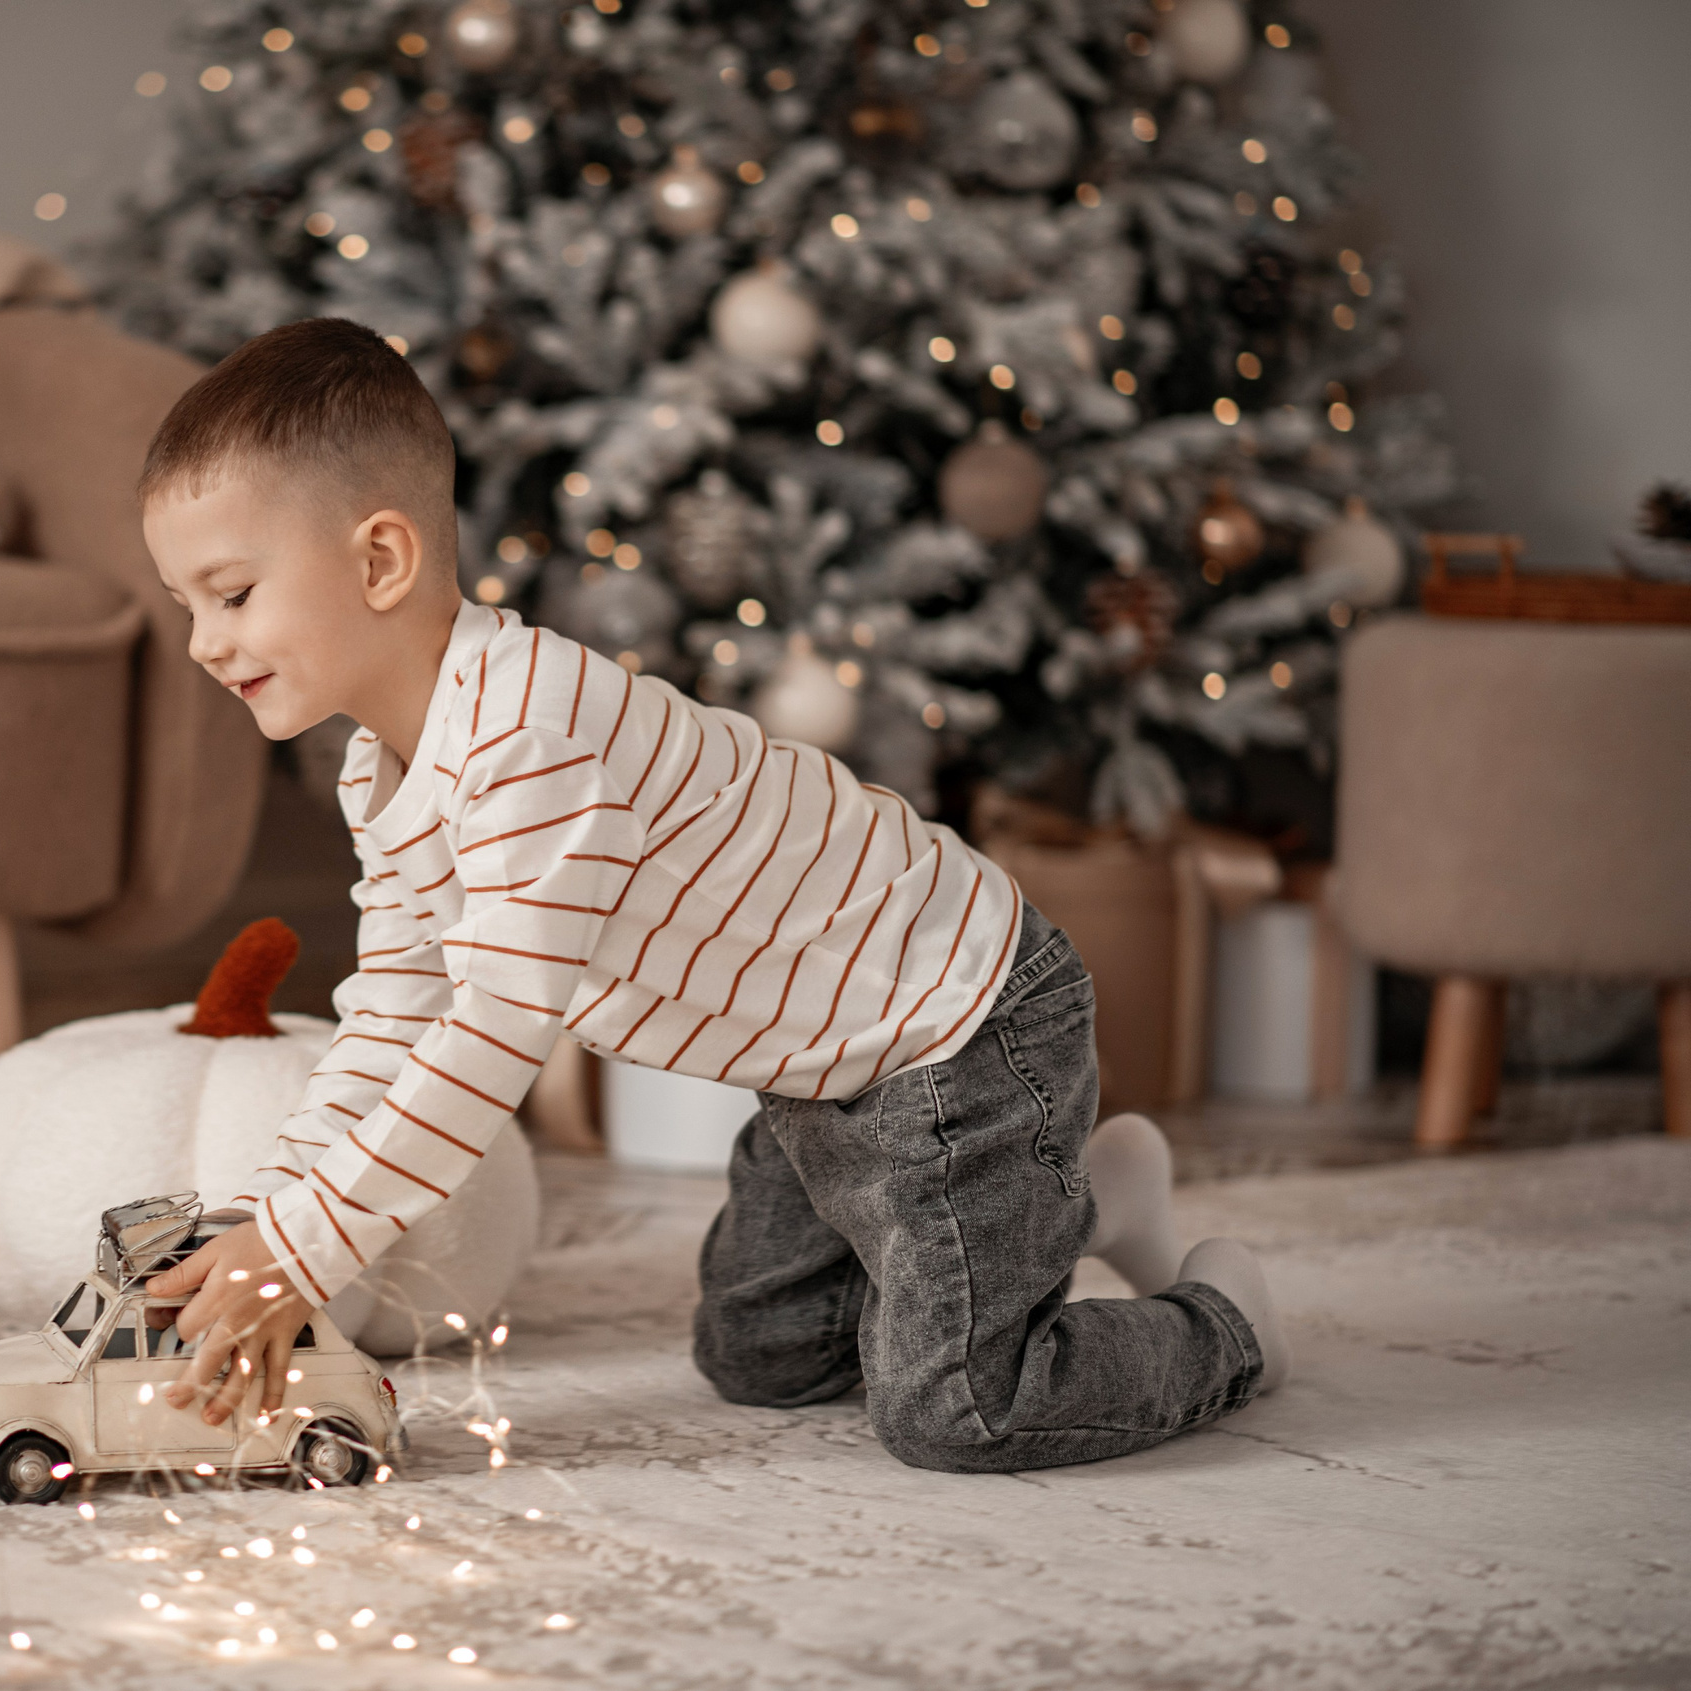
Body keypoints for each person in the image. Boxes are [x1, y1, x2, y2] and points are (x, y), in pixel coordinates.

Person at [138, 318, 1287, 1473]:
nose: (201, 641)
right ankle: (1073, 1197)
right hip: (821, 1070)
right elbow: (396, 1008)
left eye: (230, 594)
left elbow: (490, 1035)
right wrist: (268, 1222)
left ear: (379, 561)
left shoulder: (528, 736)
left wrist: (310, 1246)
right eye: (188, 605)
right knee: (762, 1356)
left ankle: (1221, 1318)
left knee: (962, 1412)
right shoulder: (383, 765)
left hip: (958, 1025)